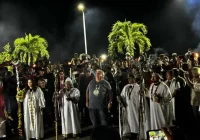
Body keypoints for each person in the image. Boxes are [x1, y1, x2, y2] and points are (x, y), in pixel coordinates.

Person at [117, 74, 150, 139]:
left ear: (134, 79)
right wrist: (120, 99)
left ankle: (138, 135)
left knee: (136, 123)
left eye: (130, 78)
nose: (129, 79)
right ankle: (131, 134)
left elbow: (142, 99)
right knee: (129, 122)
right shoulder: (126, 87)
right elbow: (122, 96)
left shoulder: (138, 88)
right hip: (128, 109)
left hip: (136, 109)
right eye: (128, 78)